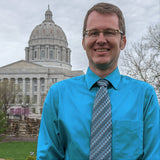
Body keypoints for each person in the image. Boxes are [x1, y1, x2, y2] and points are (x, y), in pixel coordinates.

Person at [37, 2, 160, 160]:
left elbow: (154, 156)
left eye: (109, 32)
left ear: (123, 41)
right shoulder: (58, 95)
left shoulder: (145, 96)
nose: (101, 40)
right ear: (83, 42)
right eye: (94, 33)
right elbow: (48, 157)